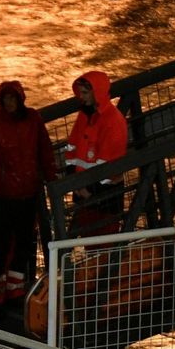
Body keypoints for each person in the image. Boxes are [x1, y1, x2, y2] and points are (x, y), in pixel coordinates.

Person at [0, 80, 56, 309]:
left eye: (13, 99)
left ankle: (14, 292)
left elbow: (44, 149)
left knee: (22, 244)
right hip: (2, 194)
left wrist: (51, 177)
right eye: (6, 99)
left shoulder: (32, 119)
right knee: (0, 245)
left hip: (27, 192)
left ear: (20, 99)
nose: (9, 103)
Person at [65, 71, 128, 235]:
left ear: (96, 93)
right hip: (86, 194)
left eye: (85, 93)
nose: (81, 97)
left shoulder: (112, 121)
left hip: (103, 198)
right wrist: (76, 183)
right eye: (80, 93)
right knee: (93, 246)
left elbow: (112, 165)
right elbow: (72, 149)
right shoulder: (85, 116)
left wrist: (86, 189)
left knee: (104, 248)